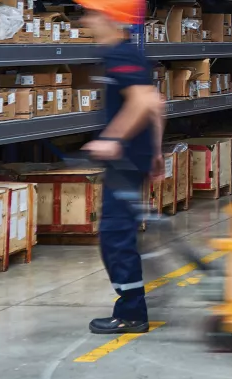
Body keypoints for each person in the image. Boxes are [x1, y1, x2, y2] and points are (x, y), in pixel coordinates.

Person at [78, 0, 167, 335]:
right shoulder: (129, 53)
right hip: (136, 157)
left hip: (125, 159)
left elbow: (143, 102)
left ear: (109, 17)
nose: (86, 21)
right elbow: (157, 105)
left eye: (91, 13)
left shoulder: (120, 54)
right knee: (122, 234)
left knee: (115, 236)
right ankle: (132, 306)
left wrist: (113, 138)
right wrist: (156, 150)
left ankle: (131, 312)